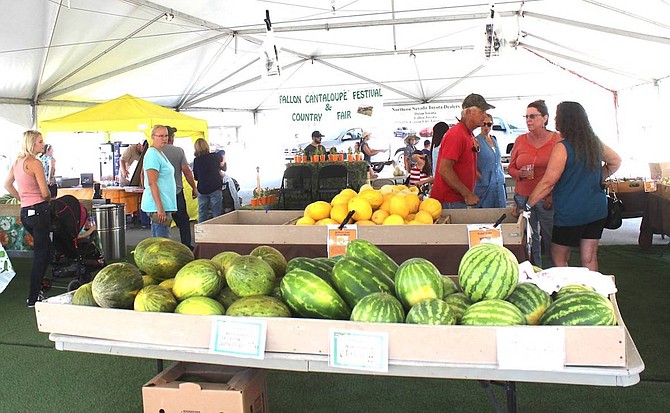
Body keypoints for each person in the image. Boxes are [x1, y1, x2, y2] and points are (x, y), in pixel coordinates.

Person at [525, 101, 621, 271]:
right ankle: (593, 293)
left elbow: (548, 182)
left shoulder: (563, 147)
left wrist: (528, 204)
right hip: (596, 209)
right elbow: (615, 161)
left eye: (557, 116)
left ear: (564, 120)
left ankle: (565, 291)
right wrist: (597, 177)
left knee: (558, 255)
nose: (555, 119)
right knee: (589, 257)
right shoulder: (594, 143)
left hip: (571, 212)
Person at [508, 100, 560, 267]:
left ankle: (554, 271)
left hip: (547, 197)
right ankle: (533, 269)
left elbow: (563, 170)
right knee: (529, 237)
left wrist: (554, 194)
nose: (528, 120)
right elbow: (511, 168)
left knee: (551, 237)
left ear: (545, 118)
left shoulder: (557, 140)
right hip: (523, 196)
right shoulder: (520, 140)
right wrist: (519, 173)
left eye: (532, 116)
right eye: (526, 117)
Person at [3, 130, 51, 307]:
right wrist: (45, 198)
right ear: (31, 144)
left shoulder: (17, 162)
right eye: (40, 142)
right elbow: (45, 192)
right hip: (39, 210)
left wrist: (22, 198)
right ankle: (33, 297)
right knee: (41, 253)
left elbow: (7, 184)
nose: (43, 144)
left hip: (26, 212)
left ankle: (37, 287)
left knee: (47, 250)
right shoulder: (35, 163)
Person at [431, 93, 494, 208]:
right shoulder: (456, 134)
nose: (485, 116)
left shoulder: (467, 134)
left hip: (457, 199)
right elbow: (444, 169)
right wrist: (467, 194)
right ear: (469, 112)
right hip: (450, 200)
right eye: (482, 111)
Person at [162, 126, 198, 249]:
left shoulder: (152, 151)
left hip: (159, 194)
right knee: (183, 222)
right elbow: (187, 172)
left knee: (160, 223)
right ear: (171, 137)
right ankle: (187, 246)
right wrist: (194, 187)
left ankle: (160, 248)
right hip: (176, 193)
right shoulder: (178, 151)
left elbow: (142, 174)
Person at [140, 125, 176, 238]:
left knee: (160, 240)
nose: (164, 138)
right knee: (162, 242)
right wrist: (160, 208)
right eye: (160, 136)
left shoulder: (159, 153)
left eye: (166, 136)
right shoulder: (152, 154)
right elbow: (152, 182)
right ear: (153, 137)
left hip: (163, 204)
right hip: (157, 206)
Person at [474, 113, 506, 208]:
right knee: (486, 213)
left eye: (489, 124)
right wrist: (482, 178)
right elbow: (471, 164)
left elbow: (497, 159)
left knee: (501, 211)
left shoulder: (494, 139)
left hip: (498, 183)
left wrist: (501, 173)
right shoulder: (476, 141)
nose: (486, 127)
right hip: (485, 185)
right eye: (484, 124)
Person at [193, 138, 223, 223]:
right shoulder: (214, 156)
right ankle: (217, 232)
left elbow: (196, 177)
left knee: (202, 213)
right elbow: (221, 157)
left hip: (202, 189)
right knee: (216, 213)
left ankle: (201, 232)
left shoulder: (196, 160)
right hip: (215, 187)